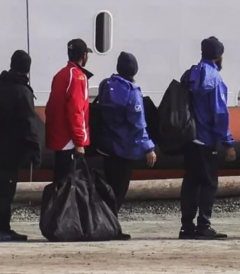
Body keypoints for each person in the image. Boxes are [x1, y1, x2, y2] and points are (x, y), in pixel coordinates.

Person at [179, 37, 236, 240]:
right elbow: (220, 114)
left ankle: (186, 226)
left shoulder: (190, 74)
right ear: (219, 56)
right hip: (206, 140)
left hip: (189, 138)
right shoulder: (215, 79)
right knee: (209, 184)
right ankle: (204, 225)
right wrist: (228, 142)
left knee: (190, 183)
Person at [94, 52, 157, 239]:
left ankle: (103, 223)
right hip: (124, 148)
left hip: (106, 146)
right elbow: (138, 123)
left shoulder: (106, 85)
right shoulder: (132, 91)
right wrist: (149, 147)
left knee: (109, 187)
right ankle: (111, 227)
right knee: (119, 191)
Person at [0, 51, 41, 242]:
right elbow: (29, 124)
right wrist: (34, 152)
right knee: (6, 191)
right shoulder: (22, 92)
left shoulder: (2, 86)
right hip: (9, 152)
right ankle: (3, 229)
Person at [45, 39, 92, 185]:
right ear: (84, 56)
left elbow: (51, 106)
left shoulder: (61, 74)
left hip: (59, 138)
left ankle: (56, 206)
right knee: (68, 183)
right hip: (69, 140)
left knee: (59, 180)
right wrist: (79, 141)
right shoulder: (78, 77)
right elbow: (76, 111)